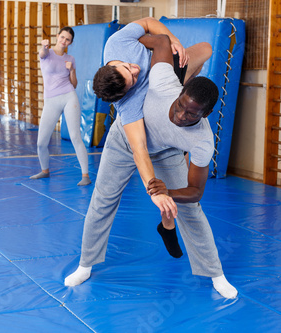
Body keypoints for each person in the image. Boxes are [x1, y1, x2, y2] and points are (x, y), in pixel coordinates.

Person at [64, 34, 238, 299]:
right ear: (180, 91)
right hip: (125, 140)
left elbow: (195, 191)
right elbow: (159, 41)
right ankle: (85, 264)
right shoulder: (162, 80)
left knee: (192, 211)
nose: (181, 116)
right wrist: (174, 42)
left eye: (191, 114)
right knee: (103, 200)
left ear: (206, 115)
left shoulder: (202, 140)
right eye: (181, 106)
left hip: (165, 152)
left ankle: (215, 273)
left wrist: (168, 192)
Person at [92, 17, 212, 245]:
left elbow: (148, 22)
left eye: (129, 68)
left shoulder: (115, 43)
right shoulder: (128, 105)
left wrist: (173, 41)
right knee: (166, 192)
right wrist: (153, 190)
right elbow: (140, 149)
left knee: (206, 48)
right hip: (161, 116)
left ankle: (166, 226)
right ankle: (167, 226)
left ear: (112, 64)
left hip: (168, 70)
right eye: (133, 80)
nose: (136, 70)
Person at [29, 27, 91, 186]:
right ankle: (45, 171)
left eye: (68, 39)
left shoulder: (70, 58)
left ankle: (85, 175)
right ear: (57, 36)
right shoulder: (46, 53)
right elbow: (42, 54)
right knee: (41, 142)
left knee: (75, 137)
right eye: (62, 37)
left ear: (71, 42)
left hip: (69, 96)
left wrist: (71, 70)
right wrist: (43, 46)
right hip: (51, 100)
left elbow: (74, 84)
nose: (64, 41)